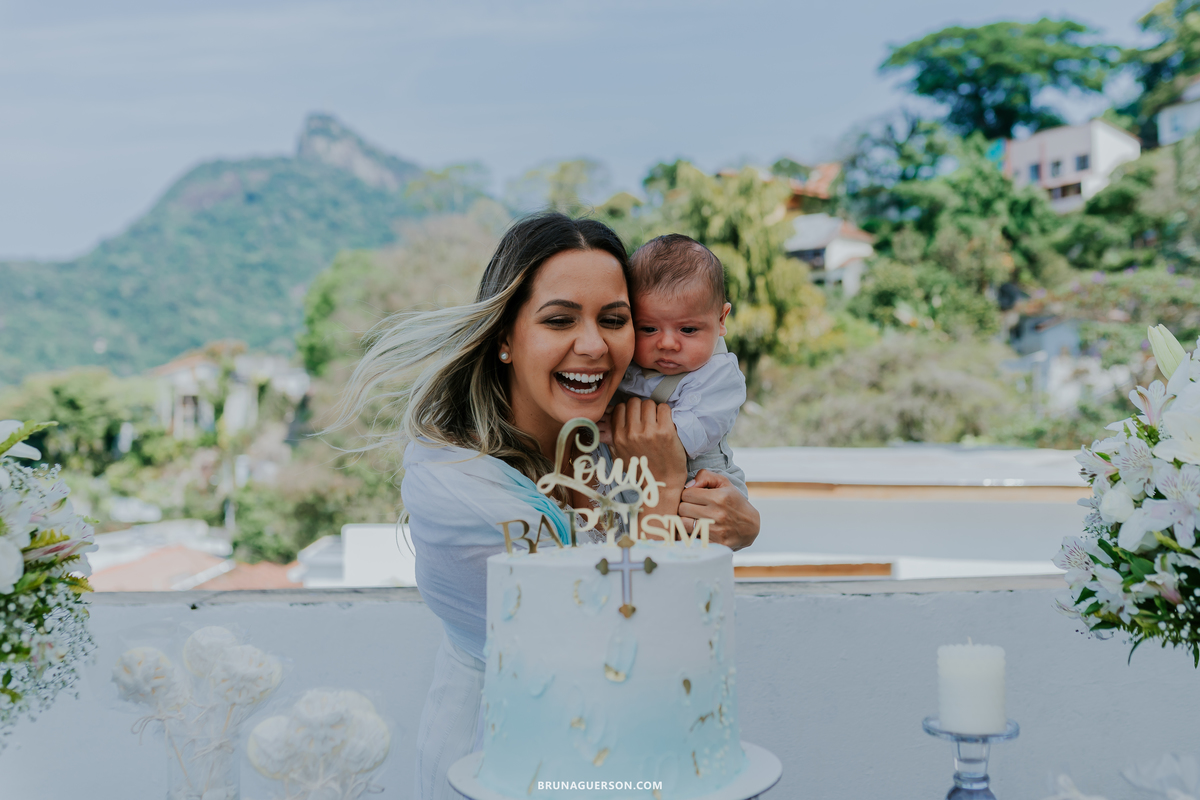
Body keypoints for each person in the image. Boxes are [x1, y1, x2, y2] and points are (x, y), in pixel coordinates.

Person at [327, 213, 760, 800]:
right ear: (505, 336)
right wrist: (661, 488)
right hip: (505, 767)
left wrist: (741, 519)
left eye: (615, 320)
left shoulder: (612, 438)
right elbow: (626, 646)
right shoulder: (457, 485)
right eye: (559, 320)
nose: (593, 345)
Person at [607, 233, 748, 496]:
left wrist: (617, 431)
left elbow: (688, 435)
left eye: (687, 329)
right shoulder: (628, 362)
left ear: (721, 319)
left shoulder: (719, 376)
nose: (667, 343)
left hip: (701, 477)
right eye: (648, 328)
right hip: (638, 476)